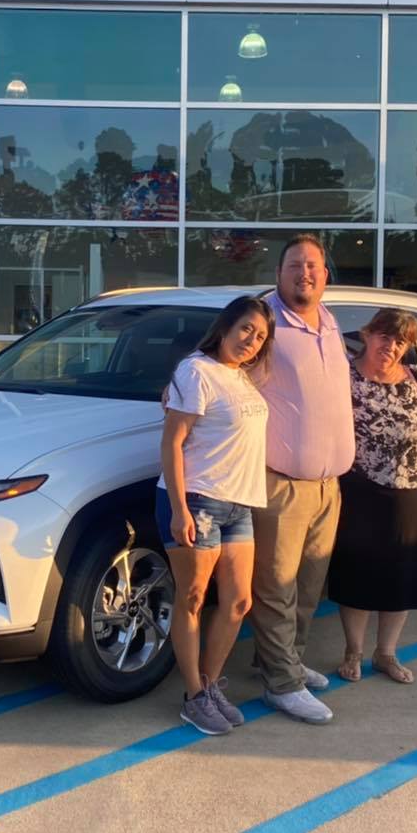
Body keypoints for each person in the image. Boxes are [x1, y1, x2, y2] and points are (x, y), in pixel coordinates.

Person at [327, 308, 417, 685]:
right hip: (360, 489)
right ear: (367, 334)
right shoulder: (342, 377)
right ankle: (353, 651)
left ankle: (386, 653)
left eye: (400, 341)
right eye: (384, 336)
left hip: (416, 492)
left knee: (403, 575)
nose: (390, 347)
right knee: (358, 572)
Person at [157, 296, 275, 736]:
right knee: (192, 598)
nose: (251, 340)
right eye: (245, 329)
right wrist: (179, 509)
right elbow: (172, 442)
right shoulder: (196, 371)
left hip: (239, 503)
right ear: (225, 327)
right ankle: (194, 697)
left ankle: (208, 685)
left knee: (239, 602)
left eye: (260, 336)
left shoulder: (241, 375)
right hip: (199, 499)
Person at [249, 235, 355, 725]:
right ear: (278, 274)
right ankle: (282, 685)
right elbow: (222, 369)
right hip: (281, 483)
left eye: (313, 265)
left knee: (309, 585)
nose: (305, 273)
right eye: (295, 265)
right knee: (276, 587)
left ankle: (284, 660)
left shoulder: (329, 322)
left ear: (325, 275)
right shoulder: (263, 323)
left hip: (328, 485)